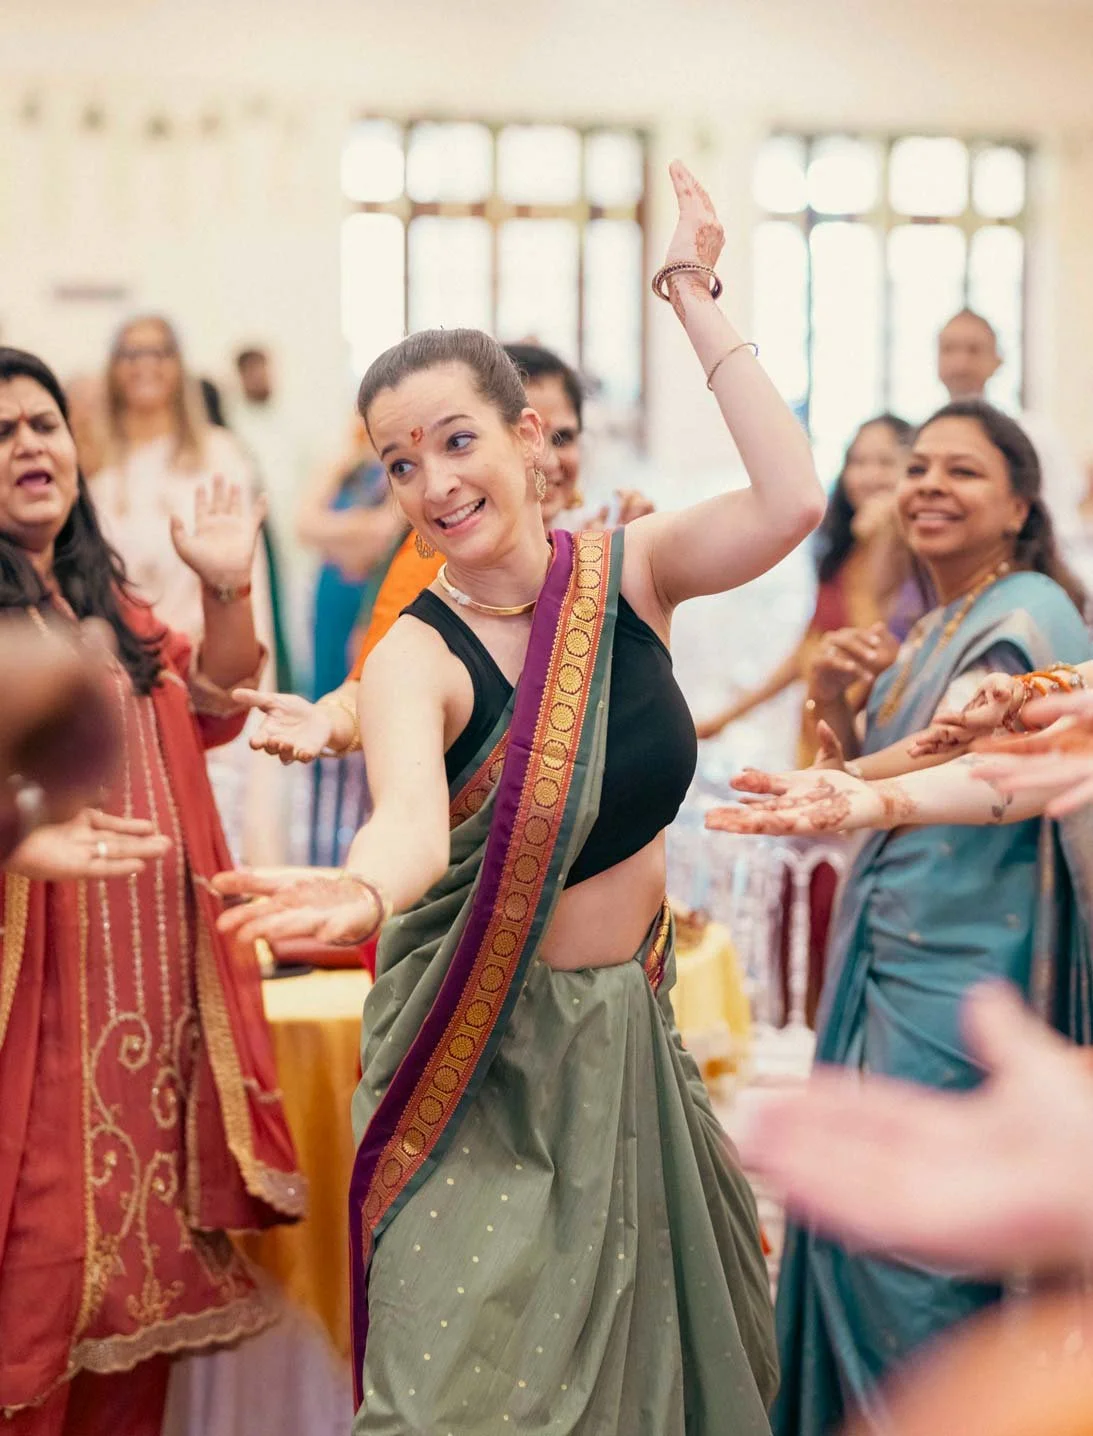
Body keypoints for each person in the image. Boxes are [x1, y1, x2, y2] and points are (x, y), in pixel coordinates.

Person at [212, 161, 825, 1433]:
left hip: (629, 1054)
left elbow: (791, 500)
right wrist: (359, 885)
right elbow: (409, 826)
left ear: (530, 440)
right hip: (479, 1065)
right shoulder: (412, 656)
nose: (431, 481)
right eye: (397, 463)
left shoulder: (634, 573)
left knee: (655, 1394)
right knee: (455, 1403)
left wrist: (691, 293)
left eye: (454, 439)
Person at [709, 397, 1093, 1436]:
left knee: (917, 1247)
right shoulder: (930, 620)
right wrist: (831, 706)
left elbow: (967, 761)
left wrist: (845, 786)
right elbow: (879, 758)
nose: (927, 484)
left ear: (1020, 504)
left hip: (973, 961)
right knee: (855, 1217)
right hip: (890, 938)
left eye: (961, 471)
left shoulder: (1029, 615)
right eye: (916, 467)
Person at [0, 347, 303, 1436]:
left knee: (132, 1348)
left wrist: (227, 579)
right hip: (39, 1025)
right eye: (2, 435)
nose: (31, 446)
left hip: (157, 1024)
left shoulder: (105, 600)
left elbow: (219, 698)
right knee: (30, 1305)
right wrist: (17, 845)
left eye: (43, 424)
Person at [88, 314, 279, 863]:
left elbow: (246, 579)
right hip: (122, 675)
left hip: (203, 667)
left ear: (179, 367)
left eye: (158, 353)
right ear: (113, 369)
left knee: (212, 829)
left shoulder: (220, 455)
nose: (144, 366)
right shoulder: (96, 464)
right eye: (130, 354)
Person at [696, 413, 917, 763]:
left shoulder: (916, 554)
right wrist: (725, 718)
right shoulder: (843, 551)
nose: (869, 475)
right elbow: (807, 652)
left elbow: (877, 641)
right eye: (858, 462)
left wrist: (885, 532)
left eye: (885, 462)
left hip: (878, 739)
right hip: (821, 728)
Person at [938, 309, 1083, 542]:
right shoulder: (923, 437)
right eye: (949, 349)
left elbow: (1061, 517)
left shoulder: (1036, 434)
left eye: (974, 350)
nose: (960, 363)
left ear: (997, 361)